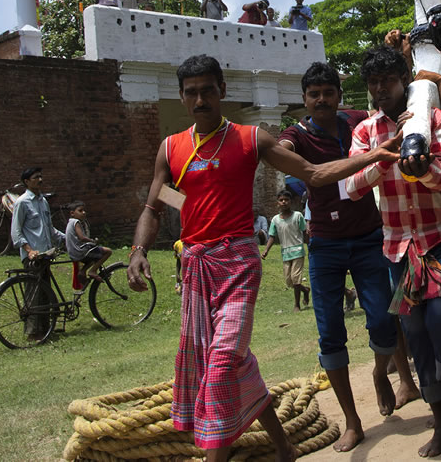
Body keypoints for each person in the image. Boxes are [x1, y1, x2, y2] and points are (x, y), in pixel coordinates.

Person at [126, 54, 401, 462]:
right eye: (191, 93)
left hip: (238, 263)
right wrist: (138, 251)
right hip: (197, 269)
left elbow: (314, 173)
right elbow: (155, 205)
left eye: (207, 90)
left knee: (219, 366)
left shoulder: (250, 139)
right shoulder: (171, 149)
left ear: (222, 91)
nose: (200, 99)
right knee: (231, 362)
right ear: (182, 98)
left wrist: (372, 157)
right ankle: (284, 446)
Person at [344, 46, 441, 460]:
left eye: (387, 80)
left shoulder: (432, 118)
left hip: (440, 239)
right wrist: (391, 150)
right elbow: (352, 186)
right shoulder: (366, 131)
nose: (381, 89)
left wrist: (419, 161)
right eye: (373, 83)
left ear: (405, 80)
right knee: (417, 335)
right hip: (399, 250)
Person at [278, 61, 419, 451]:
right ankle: (353, 422)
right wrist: (272, 146)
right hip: (325, 245)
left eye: (328, 92)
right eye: (314, 94)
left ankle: (382, 373)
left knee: (386, 319)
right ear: (305, 100)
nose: (321, 99)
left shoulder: (357, 122)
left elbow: (392, 104)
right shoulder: (297, 135)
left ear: (339, 96)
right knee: (330, 333)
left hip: (369, 236)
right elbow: (283, 152)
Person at [10, 167, 66, 339]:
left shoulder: (43, 201)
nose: (40, 180)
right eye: (36, 177)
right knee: (33, 295)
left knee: (45, 294)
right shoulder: (22, 202)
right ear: (27, 182)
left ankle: (45, 329)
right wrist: (29, 250)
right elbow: (16, 232)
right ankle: (33, 332)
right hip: (32, 257)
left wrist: (68, 238)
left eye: (41, 177)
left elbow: (49, 229)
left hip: (46, 255)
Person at [262, 189, 311, 311]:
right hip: (285, 252)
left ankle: (297, 305)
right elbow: (272, 236)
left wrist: (309, 245)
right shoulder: (275, 220)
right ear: (277, 203)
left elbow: (305, 232)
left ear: (290, 202)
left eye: (286, 200)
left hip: (298, 250)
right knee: (289, 282)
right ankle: (305, 290)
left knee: (296, 278)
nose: (284, 202)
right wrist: (266, 250)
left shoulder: (298, 216)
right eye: (281, 200)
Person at [64, 201, 113, 281]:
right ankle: (93, 271)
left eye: (84, 210)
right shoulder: (76, 222)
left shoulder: (70, 222)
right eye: (80, 211)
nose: (83, 212)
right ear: (72, 213)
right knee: (108, 251)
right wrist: (92, 241)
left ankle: (83, 272)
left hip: (73, 253)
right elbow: (82, 238)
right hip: (80, 251)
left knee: (93, 257)